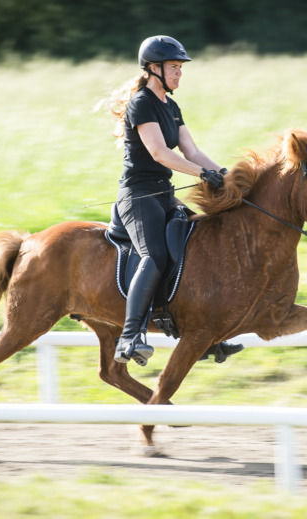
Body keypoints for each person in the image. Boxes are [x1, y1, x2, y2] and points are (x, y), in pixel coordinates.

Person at [108, 35, 241, 364]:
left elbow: (191, 150)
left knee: (199, 244)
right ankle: (128, 338)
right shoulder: (142, 103)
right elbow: (159, 152)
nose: (180, 73)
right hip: (138, 195)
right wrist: (200, 174)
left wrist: (225, 175)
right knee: (153, 256)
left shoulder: (171, 106)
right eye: (174, 67)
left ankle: (206, 336)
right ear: (154, 69)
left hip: (165, 195)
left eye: (181, 68)